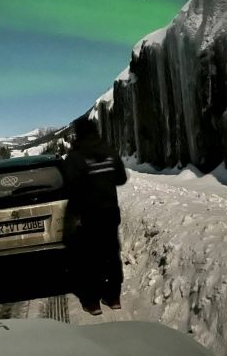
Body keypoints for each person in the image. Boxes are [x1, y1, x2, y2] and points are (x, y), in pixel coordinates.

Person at [63, 117, 127, 316]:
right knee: (111, 254)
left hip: (88, 214)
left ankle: (92, 303)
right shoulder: (109, 151)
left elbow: (69, 186)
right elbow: (121, 178)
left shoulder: (75, 156)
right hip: (109, 212)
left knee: (89, 258)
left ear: (78, 134)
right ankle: (113, 297)